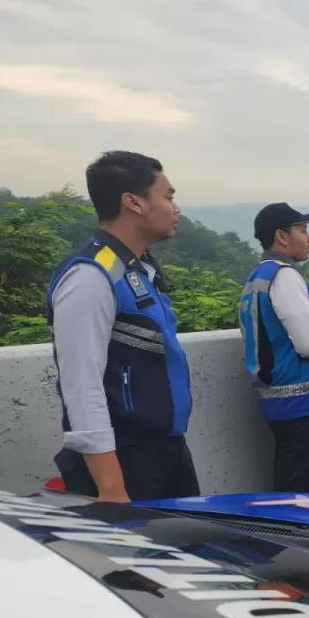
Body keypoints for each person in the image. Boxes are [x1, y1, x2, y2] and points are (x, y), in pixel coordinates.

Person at [47, 150, 199, 502]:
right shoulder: (89, 276)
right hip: (125, 462)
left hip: (166, 451)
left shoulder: (137, 269)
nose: (175, 207)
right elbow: (81, 386)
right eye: (168, 196)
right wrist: (111, 486)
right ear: (133, 202)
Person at [238, 203, 309, 493]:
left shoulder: (258, 275)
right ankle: (289, 537)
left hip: (276, 396)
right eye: (303, 230)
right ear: (282, 236)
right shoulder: (285, 275)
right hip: (300, 396)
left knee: (290, 477)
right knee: (297, 487)